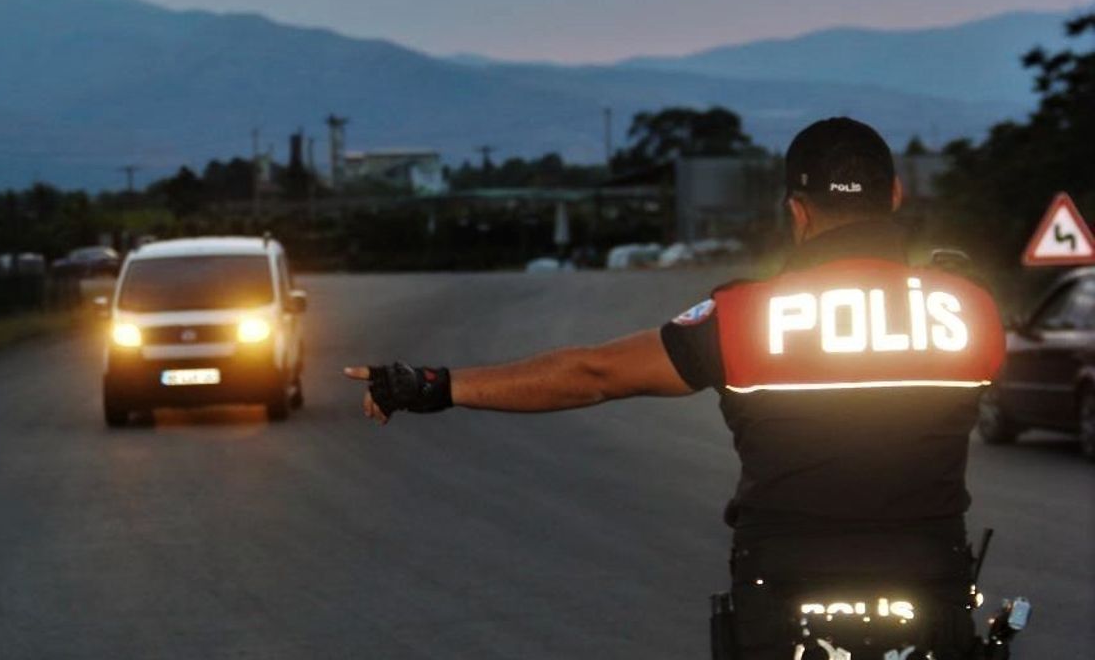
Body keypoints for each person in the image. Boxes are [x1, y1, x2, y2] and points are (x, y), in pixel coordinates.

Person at [344, 117, 1006, 659]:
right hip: (929, 585)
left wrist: (434, 385)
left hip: (786, 592)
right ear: (895, 197)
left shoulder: (746, 316)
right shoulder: (971, 309)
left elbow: (593, 374)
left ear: (797, 212)